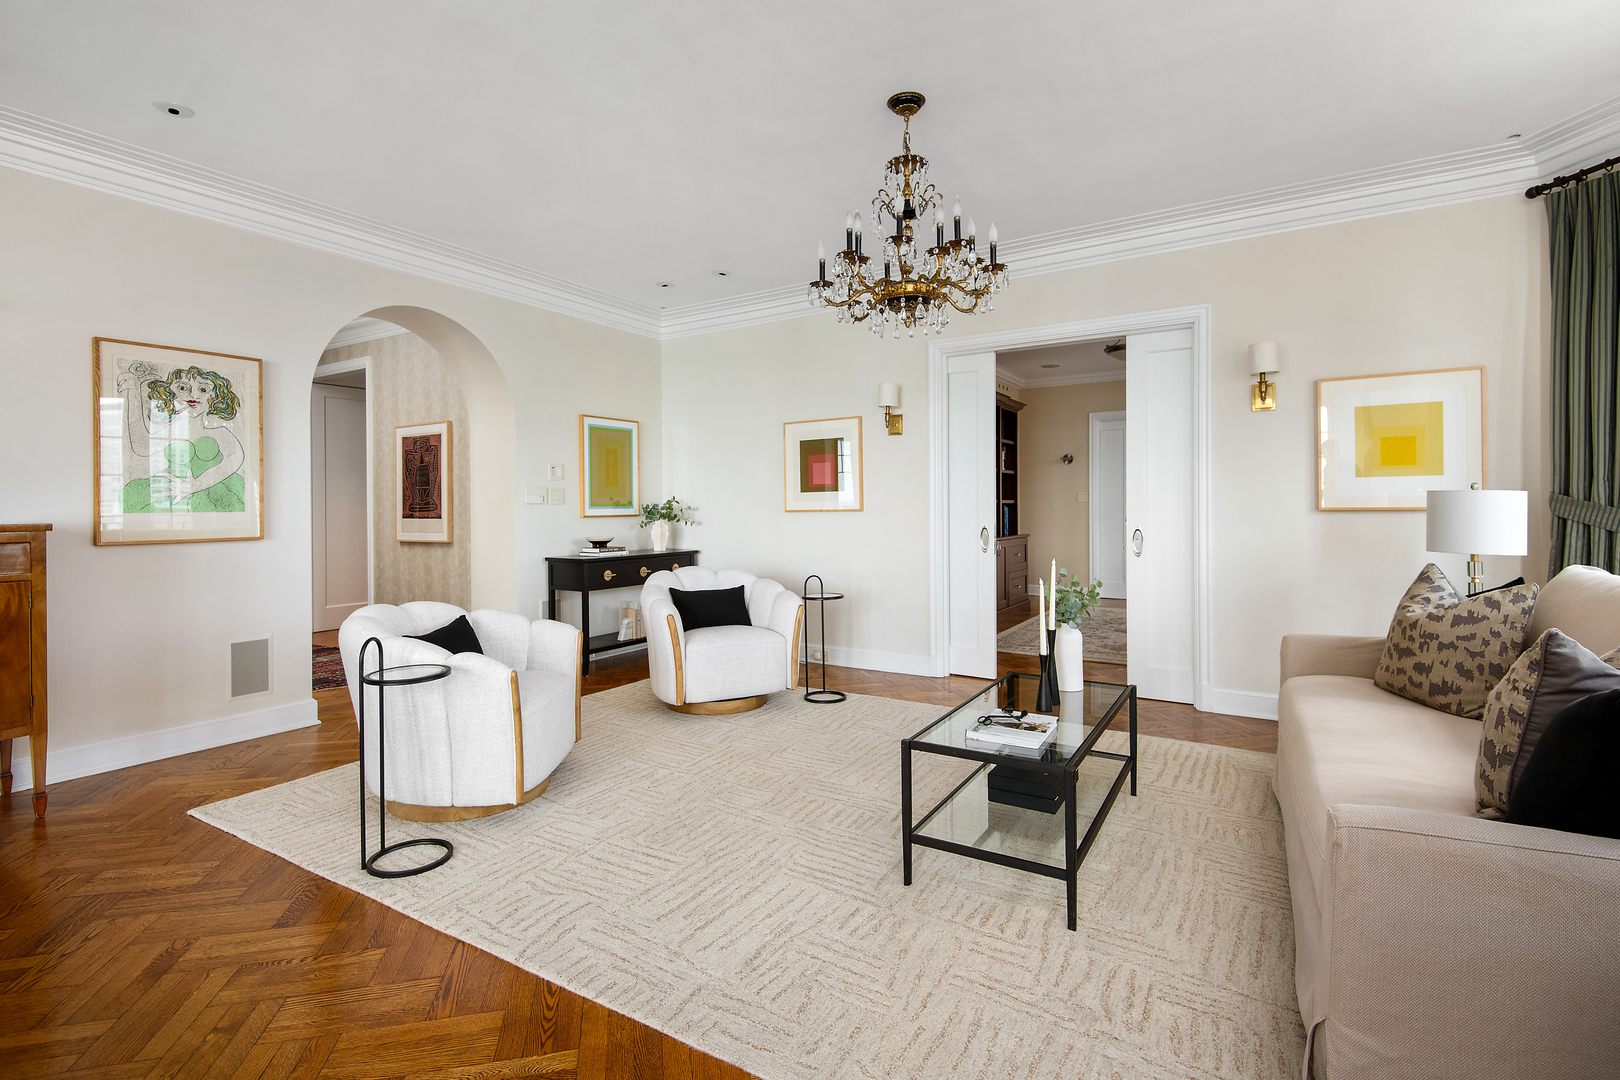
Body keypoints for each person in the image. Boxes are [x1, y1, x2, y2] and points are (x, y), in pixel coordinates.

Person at [116, 362, 247, 513]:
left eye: (203, 390)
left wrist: (193, 485)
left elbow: (235, 458)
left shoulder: (220, 432)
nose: (193, 395)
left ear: (215, 398)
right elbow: (142, 446)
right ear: (170, 393)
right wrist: (133, 392)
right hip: (171, 490)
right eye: (183, 388)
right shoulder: (170, 432)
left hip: (211, 491)